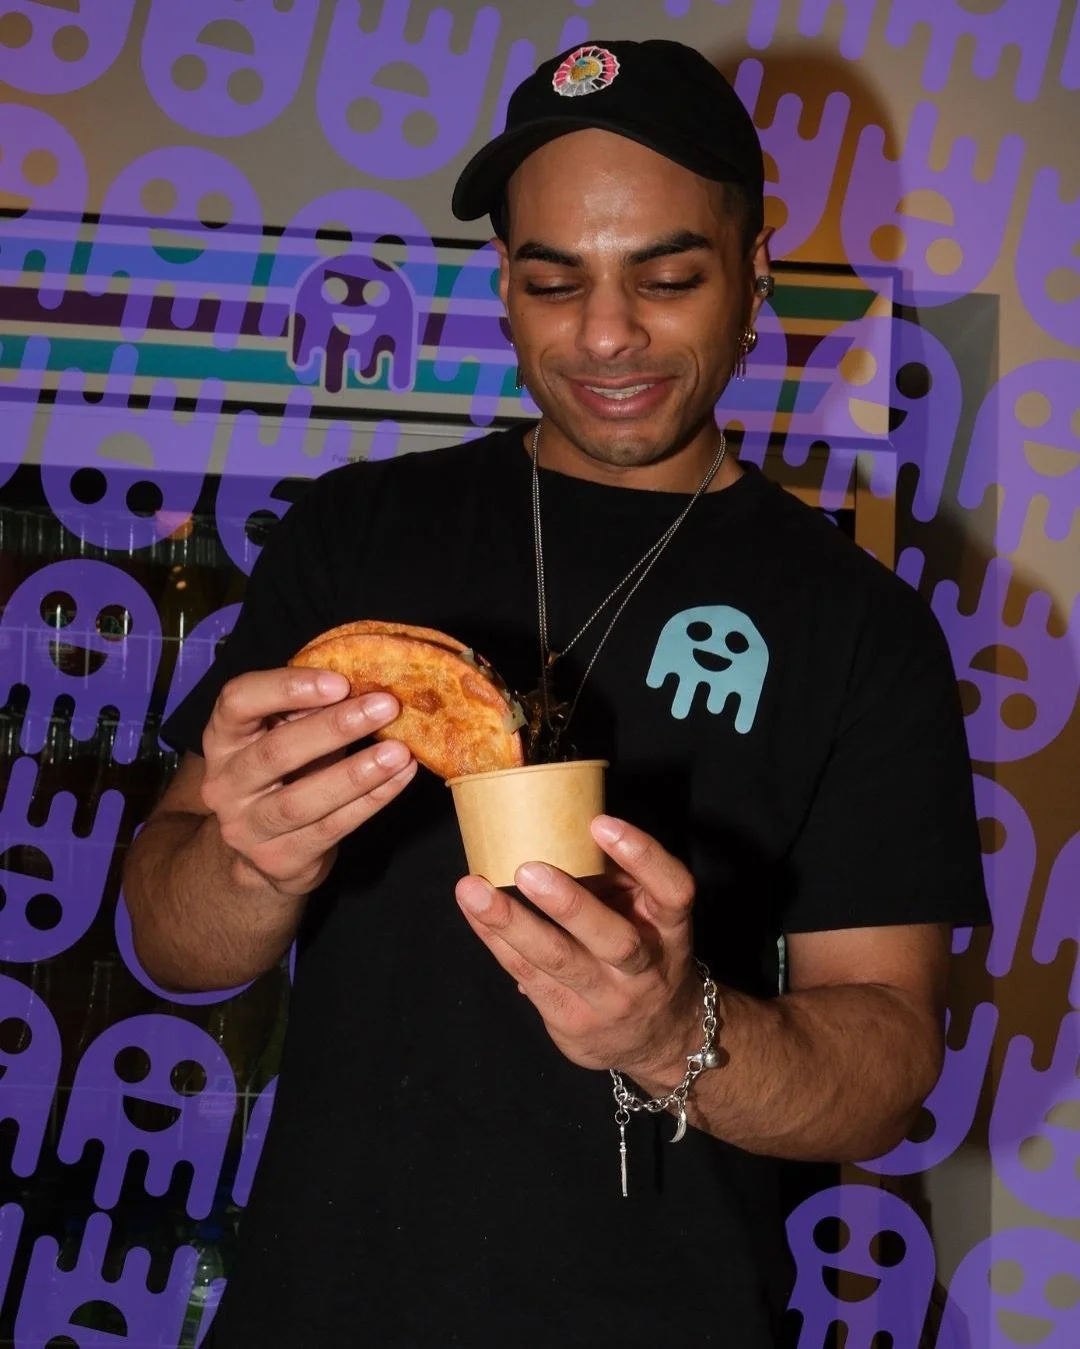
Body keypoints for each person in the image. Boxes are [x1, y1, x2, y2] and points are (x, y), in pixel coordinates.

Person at [125, 38, 990, 1348]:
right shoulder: (358, 537)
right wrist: (243, 866)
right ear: (506, 289)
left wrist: (669, 1029)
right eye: (552, 281)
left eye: (669, 277)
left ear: (755, 278)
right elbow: (170, 940)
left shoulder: (858, 626)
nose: (604, 334)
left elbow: (886, 1067)